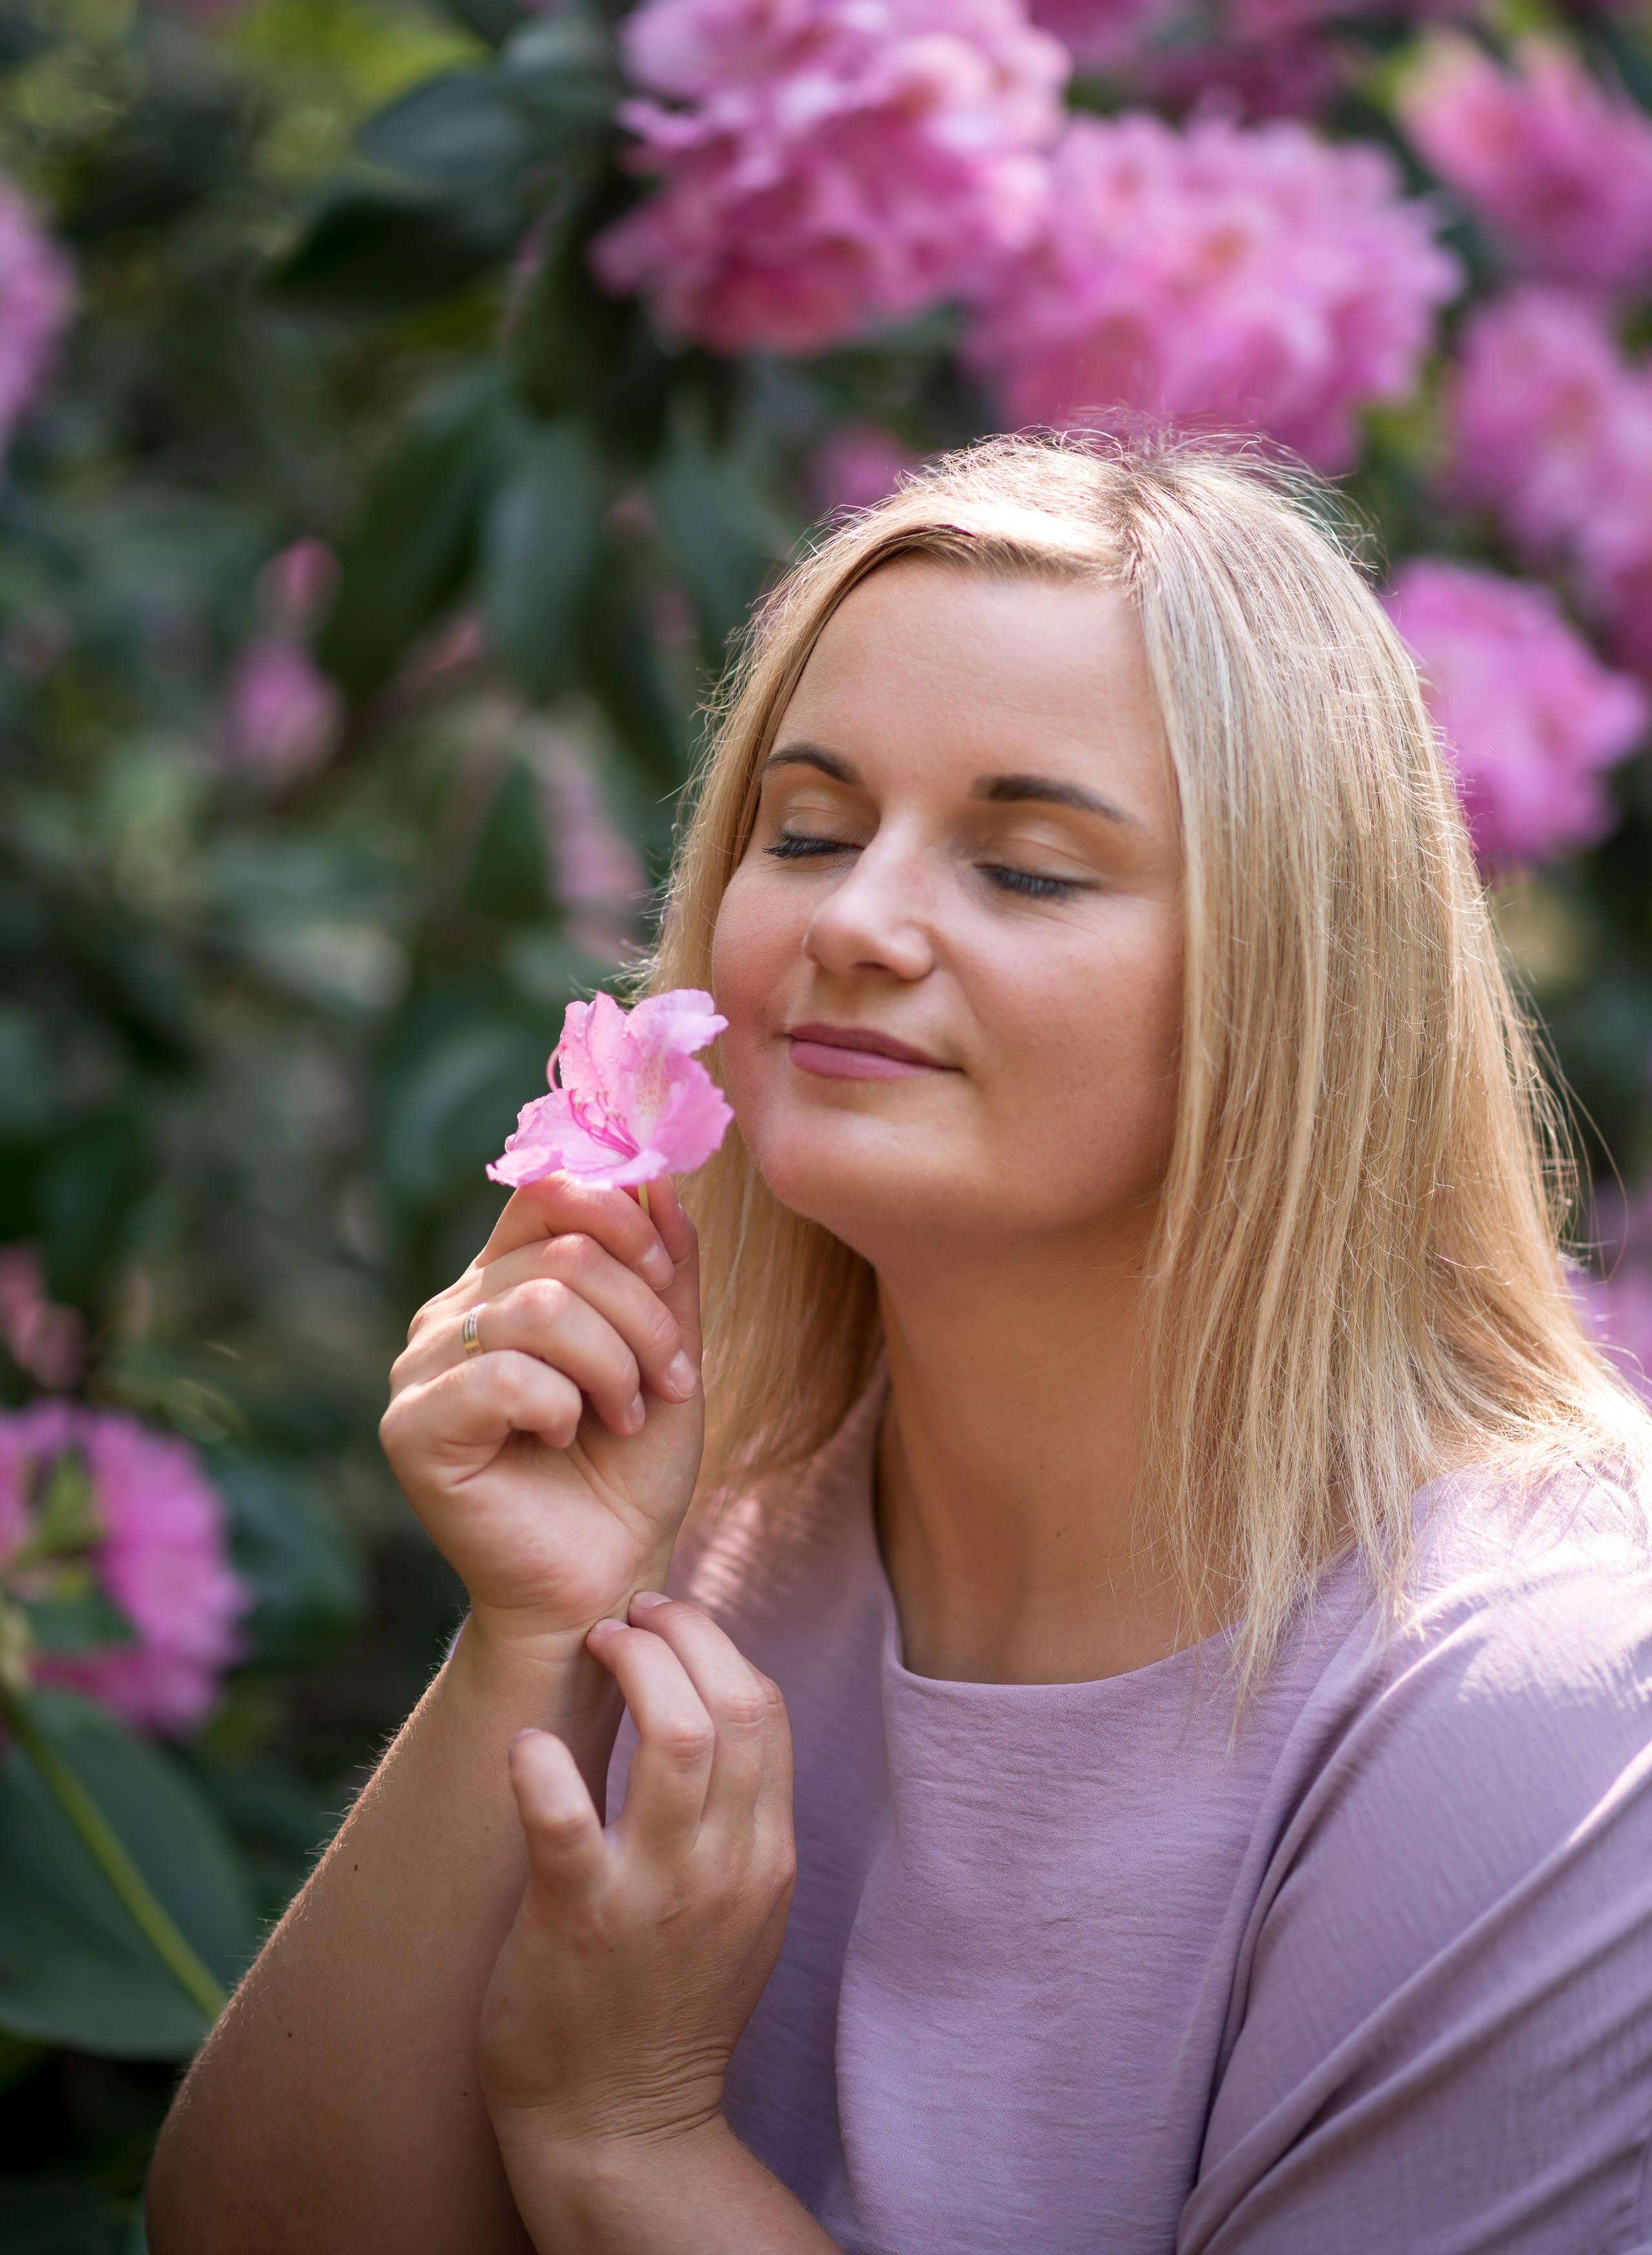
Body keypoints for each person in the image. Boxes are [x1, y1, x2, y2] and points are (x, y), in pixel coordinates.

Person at [147, 436, 1652, 2254]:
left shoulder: (1546, 1715)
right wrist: (523, 1638)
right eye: (809, 829)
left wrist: (626, 2143)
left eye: (1025, 868)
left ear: (1291, 987)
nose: (853, 924)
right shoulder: (705, 1550)